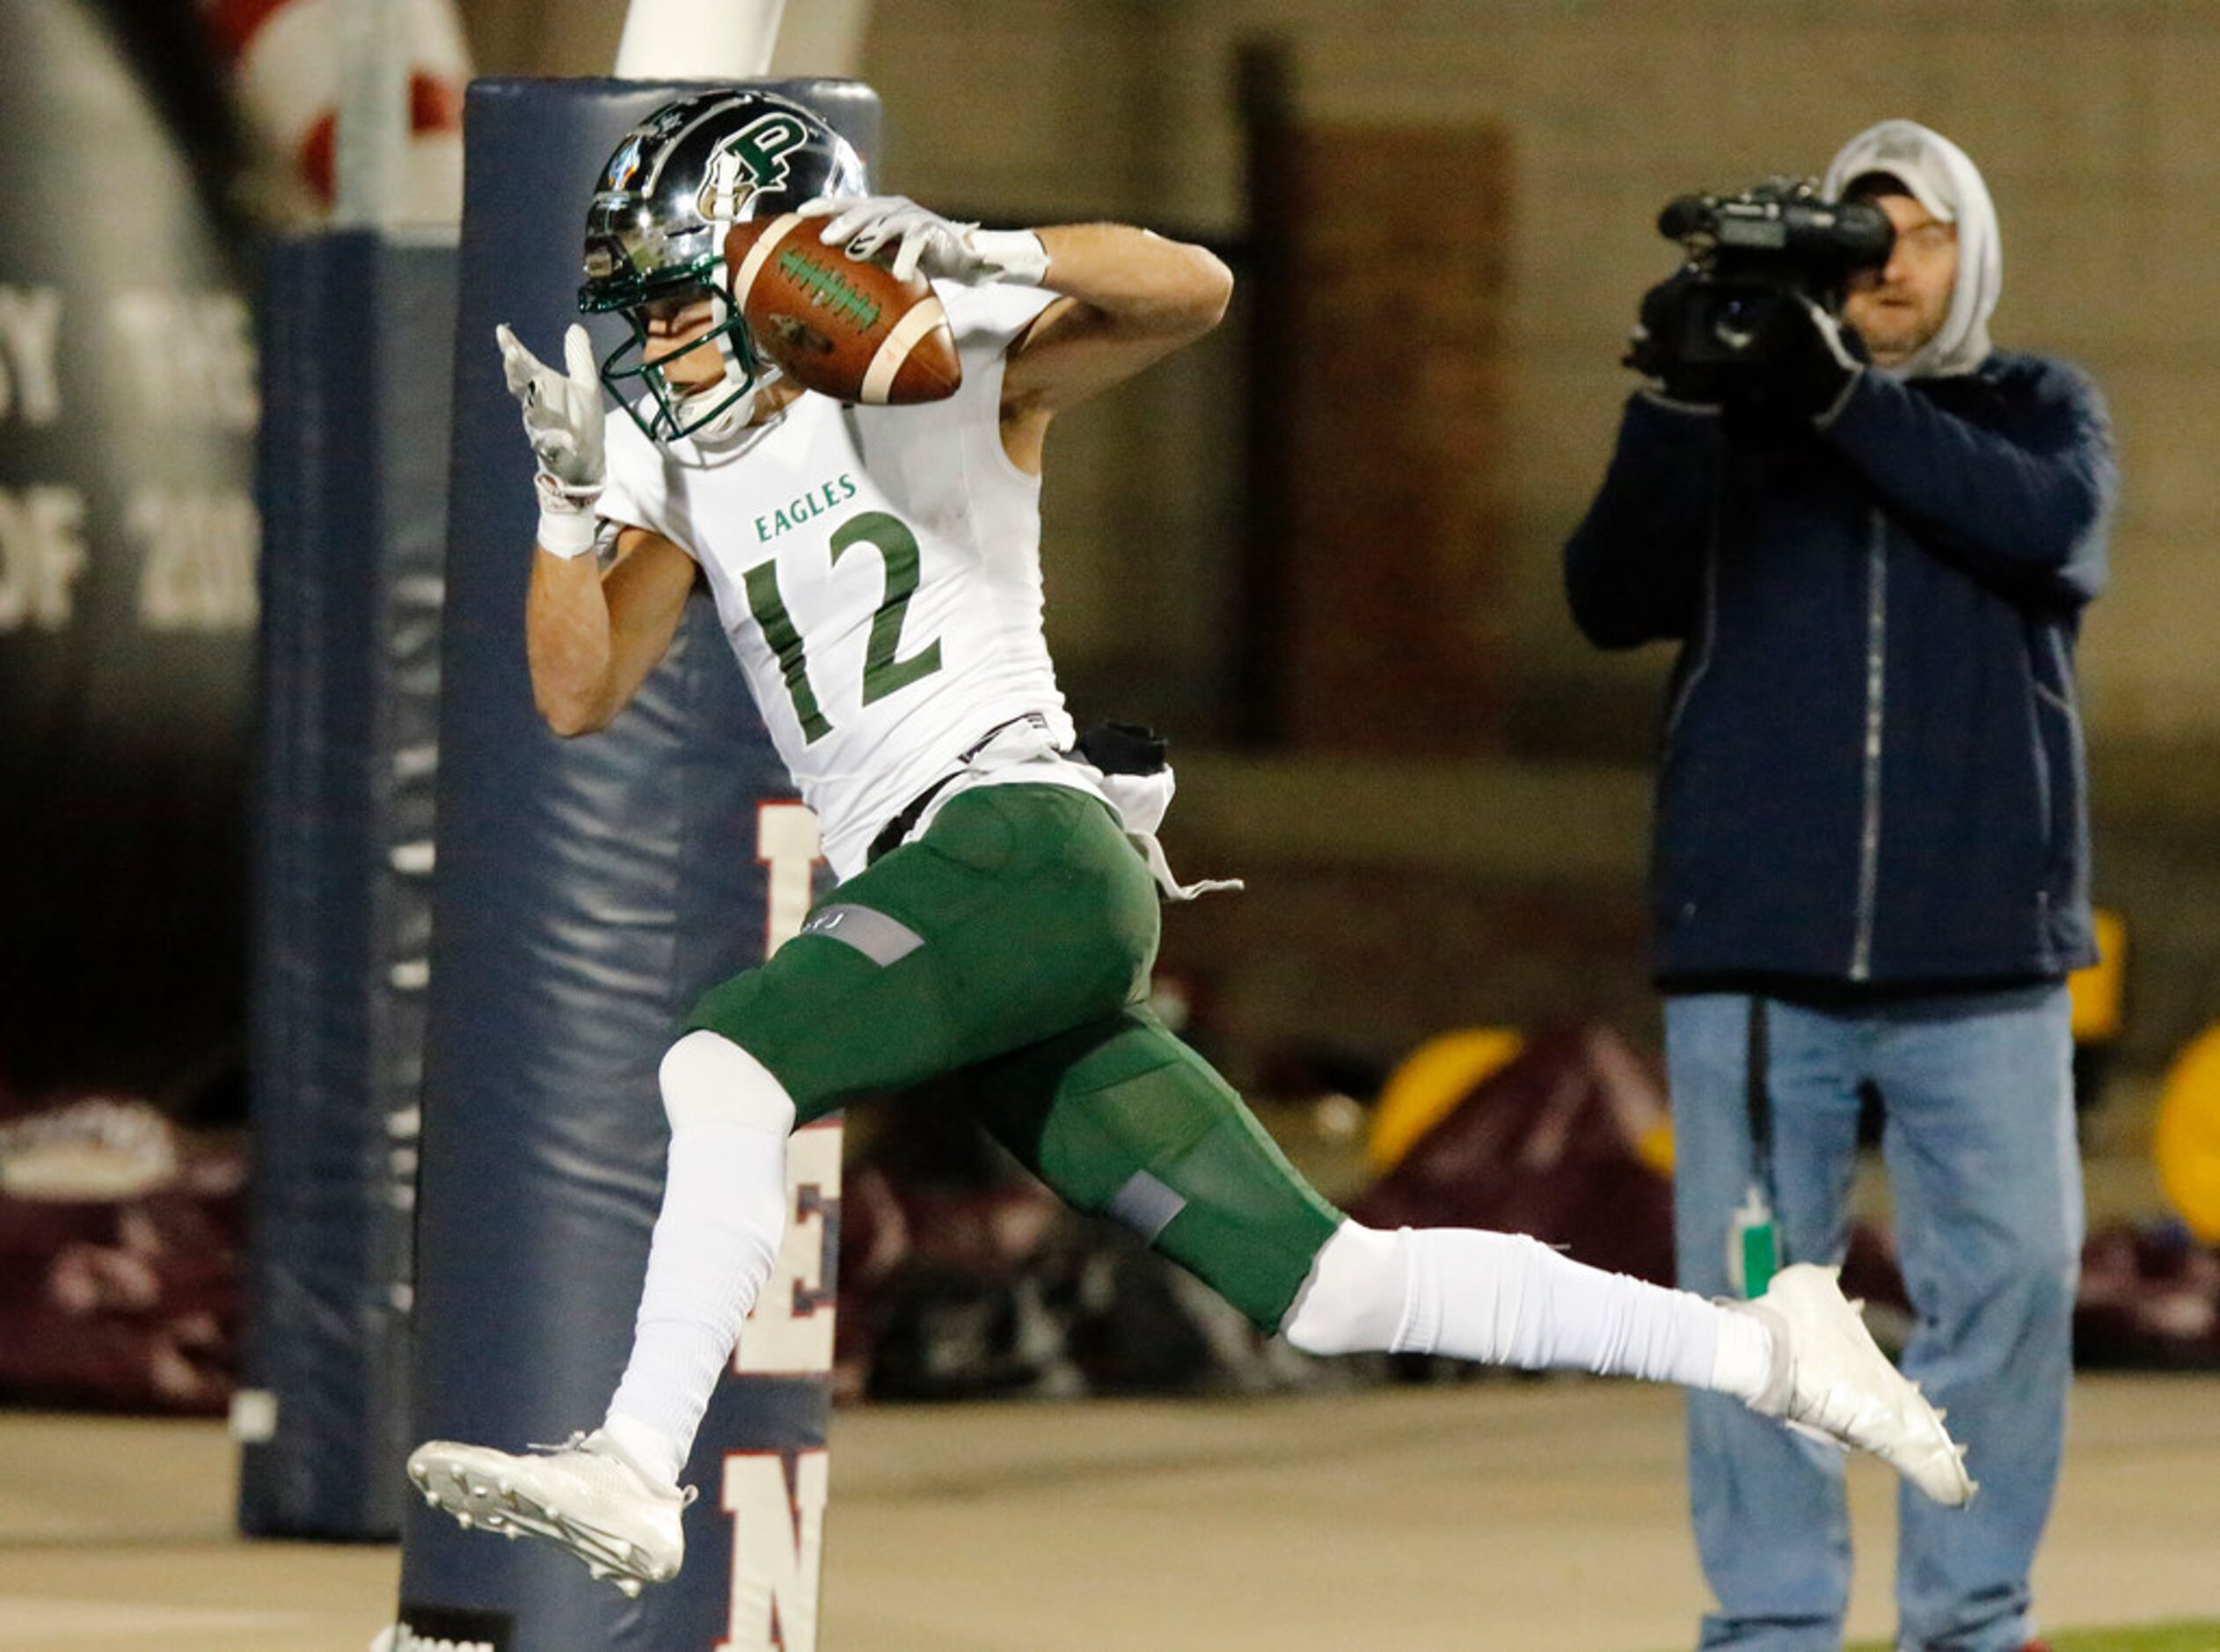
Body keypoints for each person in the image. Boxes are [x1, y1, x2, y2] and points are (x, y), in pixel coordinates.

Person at [407, 89, 1970, 1597]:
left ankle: (634, 1458)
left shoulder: (953, 369)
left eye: (685, 296)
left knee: (722, 1067)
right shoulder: (683, 467)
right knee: (1333, 1285)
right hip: (964, 895)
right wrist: (565, 504)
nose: (657, 337)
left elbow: (1192, 291)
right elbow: (575, 689)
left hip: (1015, 835)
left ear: (786, 265)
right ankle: (1770, 1346)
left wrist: (978, 247)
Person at [1564, 119, 2115, 1652]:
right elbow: (1608, 597)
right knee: (1758, 1318)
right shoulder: (1739, 427)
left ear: (1972, 254)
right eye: (1863, 232)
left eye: (1923, 233)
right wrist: (1684, 401)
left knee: (2008, 1291)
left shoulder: (2036, 409)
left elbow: (2043, 531)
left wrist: (1841, 397)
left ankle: (1972, 1620)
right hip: (1757, 964)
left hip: (1982, 964)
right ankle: (1777, 1625)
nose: (1892, 262)